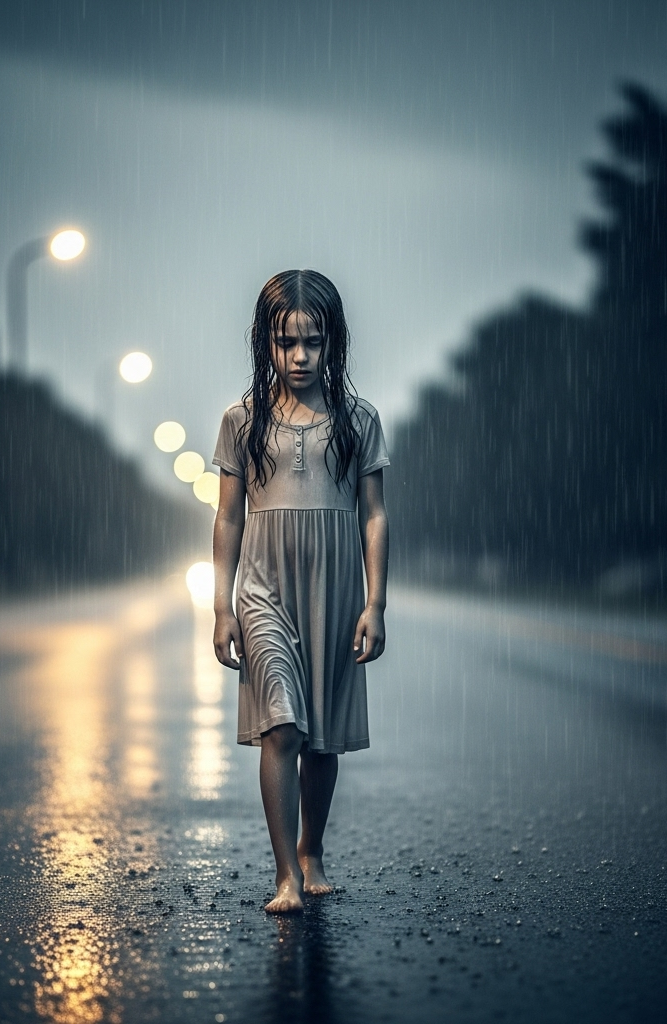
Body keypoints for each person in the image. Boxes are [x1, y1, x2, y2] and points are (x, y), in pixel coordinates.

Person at [211, 269, 390, 913]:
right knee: (281, 726)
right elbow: (229, 516)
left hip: (335, 591)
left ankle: (312, 849)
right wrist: (221, 606)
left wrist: (374, 602)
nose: (299, 357)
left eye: (313, 342)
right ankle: (285, 872)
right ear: (266, 344)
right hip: (264, 588)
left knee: (322, 740)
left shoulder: (357, 420)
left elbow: (374, 513)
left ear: (332, 343)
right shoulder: (244, 421)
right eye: (286, 343)